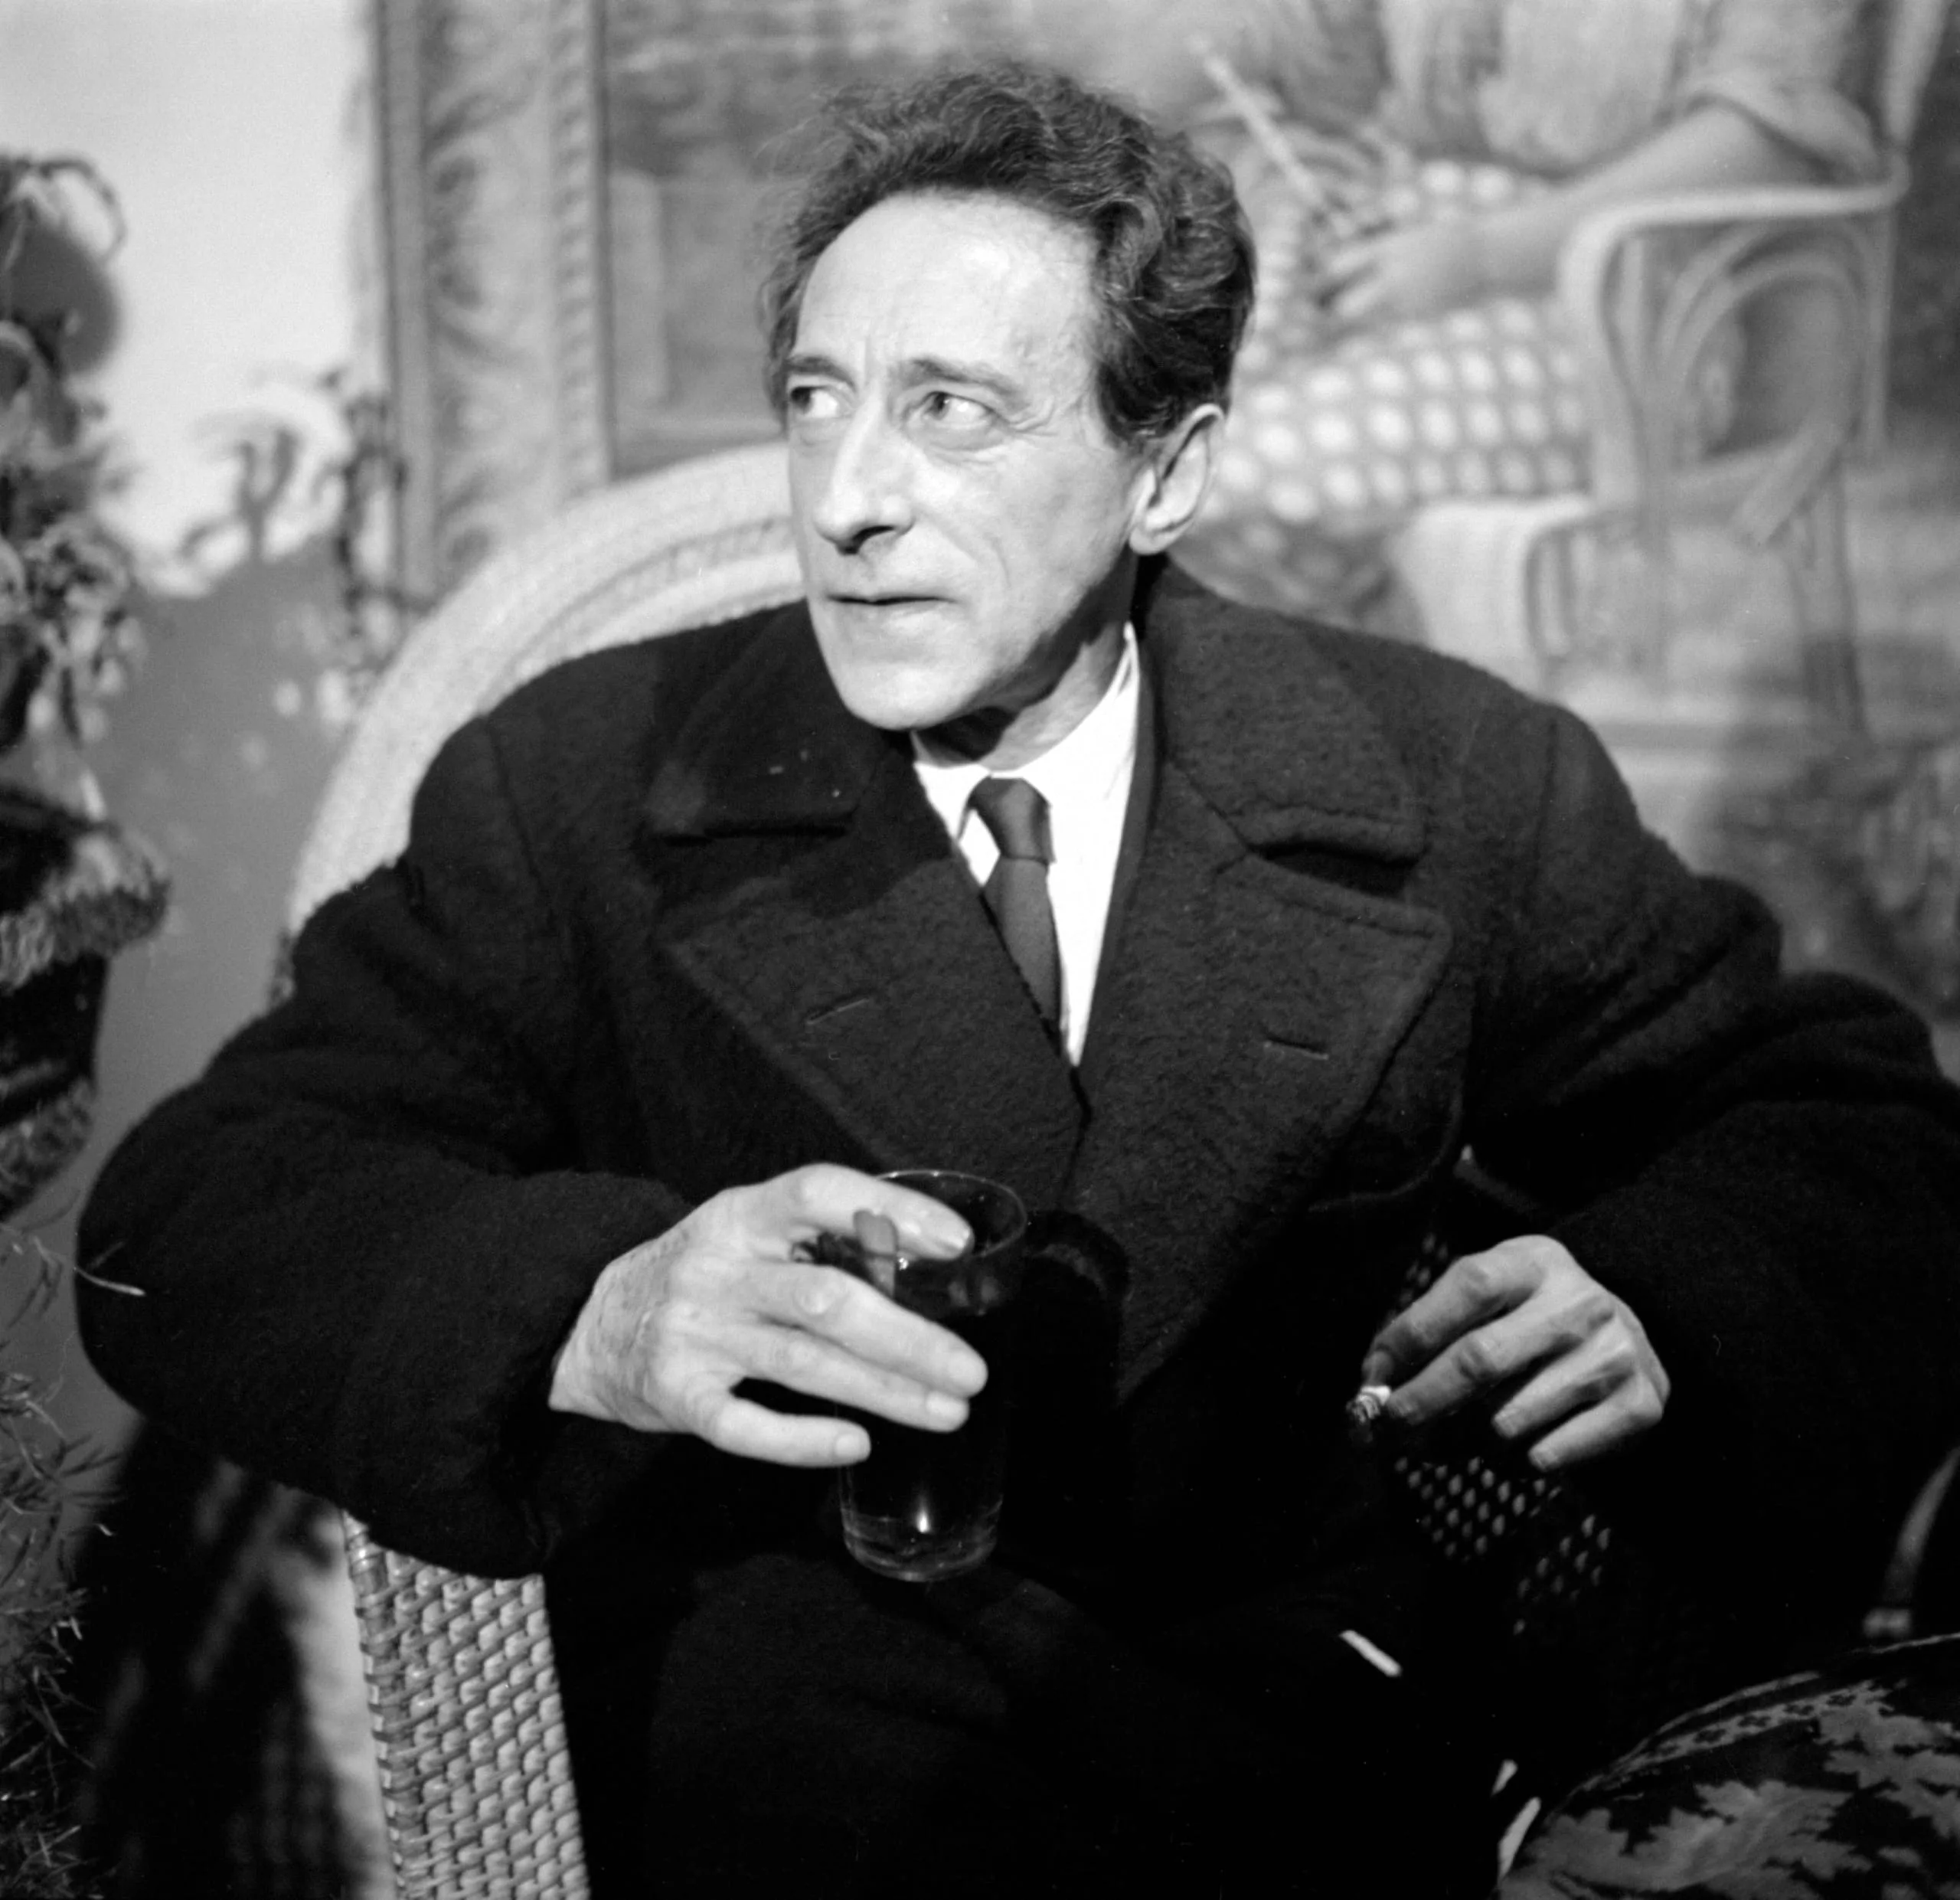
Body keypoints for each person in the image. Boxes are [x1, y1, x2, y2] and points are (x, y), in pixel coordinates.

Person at [77, 59, 1960, 1898]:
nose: (845, 497)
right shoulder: (580, 785)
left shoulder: (1446, 778)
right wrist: (598, 1305)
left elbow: (1852, 1121)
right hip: (806, 1779)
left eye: (950, 411)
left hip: (1305, 1767)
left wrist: (1656, 1293)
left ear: (1166, 472)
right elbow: (189, 1217)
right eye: (814, 400)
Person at [1148, 0, 1884, 622]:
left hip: (1616, 309)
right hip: (1386, 254)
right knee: (1147, 444)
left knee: (1215, 482)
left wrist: (1482, 257)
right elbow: (1328, 68)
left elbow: (1759, 146)